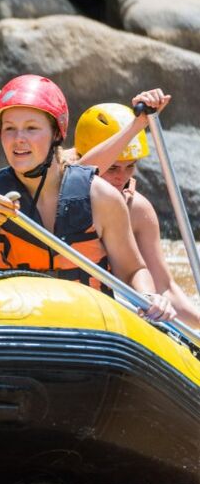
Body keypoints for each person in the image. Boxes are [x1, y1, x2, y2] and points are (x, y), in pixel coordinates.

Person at [0, 74, 176, 321]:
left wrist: (149, 298)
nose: (18, 138)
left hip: (89, 330)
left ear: (56, 133)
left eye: (31, 128)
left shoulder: (99, 194)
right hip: (11, 326)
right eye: (10, 128)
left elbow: (133, 271)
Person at [72, 92, 199, 327]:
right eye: (112, 168)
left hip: (115, 319)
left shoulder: (137, 209)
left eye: (130, 166)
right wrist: (136, 125)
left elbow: (166, 290)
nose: (122, 177)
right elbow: (79, 176)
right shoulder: (55, 187)